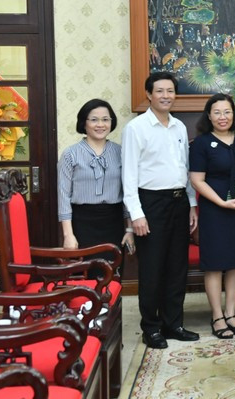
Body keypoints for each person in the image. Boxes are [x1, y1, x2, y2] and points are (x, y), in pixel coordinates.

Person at [122, 72, 199, 349]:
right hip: (150, 204)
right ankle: (151, 327)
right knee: (153, 268)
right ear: (149, 95)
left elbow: (184, 169)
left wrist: (191, 203)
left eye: (170, 91)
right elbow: (129, 176)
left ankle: (173, 323)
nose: (166, 96)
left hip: (178, 202)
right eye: (160, 91)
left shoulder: (178, 126)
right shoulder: (136, 128)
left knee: (176, 267)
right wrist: (137, 214)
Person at [189, 93, 235, 339]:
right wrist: (220, 202)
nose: (222, 117)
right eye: (217, 112)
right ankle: (217, 317)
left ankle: (231, 314)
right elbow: (196, 180)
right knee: (215, 264)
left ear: (233, 115)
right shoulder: (201, 144)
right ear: (209, 116)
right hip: (214, 209)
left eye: (227, 112)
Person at [58, 99, 134, 275]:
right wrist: (68, 235)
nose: (101, 124)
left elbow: (128, 193)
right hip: (82, 223)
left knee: (111, 276)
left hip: (113, 222)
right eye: (94, 120)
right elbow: (63, 196)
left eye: (105, 119)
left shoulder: (120, 152)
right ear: (84, 123)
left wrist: (129, 229)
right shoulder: (70, 154)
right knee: (85, 278)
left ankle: (110, 304)